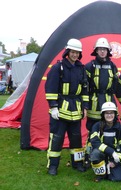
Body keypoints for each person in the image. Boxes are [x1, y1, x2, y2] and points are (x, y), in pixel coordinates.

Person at [45, 38, 88, 175]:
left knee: (76, 139)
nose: (75, 55)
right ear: (67, 52)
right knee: (57, 139)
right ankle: (53, 166)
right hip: (60, 110)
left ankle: (77, 163)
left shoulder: (81, 69)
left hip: (75, 109)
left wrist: (85, 107)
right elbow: (50, 88)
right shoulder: (58, 68)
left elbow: (85, 89)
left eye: (77, 52)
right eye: (73, 52)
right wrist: (53, 107)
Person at [84, 37, 119, 167]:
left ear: (108, 51)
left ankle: (107, 153)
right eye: (100, 49)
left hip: (108, 101)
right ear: (96, 51)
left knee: (108, 129)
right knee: (92, 130)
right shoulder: (89, 66)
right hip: (94, 102)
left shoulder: (112, 66)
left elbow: (115, 84)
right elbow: (85, 87)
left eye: (105, 49)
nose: (103, 51)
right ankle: (88, 156)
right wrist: (85, 106)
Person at [90, 102, 121, 182]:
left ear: (115, 114)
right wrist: (110, 151)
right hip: (101, 154)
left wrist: (115, 162)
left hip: (114, 156)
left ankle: (109, 170)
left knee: (118, 178)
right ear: (103, 115)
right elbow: (95, 142)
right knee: (95, 153)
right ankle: (100, 174)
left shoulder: (120, 128)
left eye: (111, 113)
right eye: (107, 113)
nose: (109, 115)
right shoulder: (97, 126)